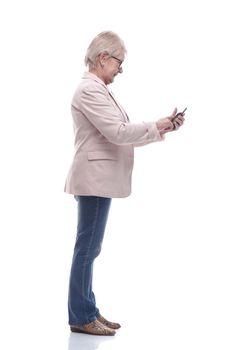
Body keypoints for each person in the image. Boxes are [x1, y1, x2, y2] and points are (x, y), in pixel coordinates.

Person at [64, 31, 185, 336]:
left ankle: (87, 309)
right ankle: (80, 314)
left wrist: (161, 130)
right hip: (92, 180)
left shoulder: (99, 89)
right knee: (87, 248)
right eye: (119, 62)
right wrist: (153, 126)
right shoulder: (89, 90)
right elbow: (117, 133)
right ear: (103, 57)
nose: (120, 69)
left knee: (91, 247)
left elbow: (117, 136)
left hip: (98, 180)